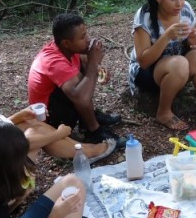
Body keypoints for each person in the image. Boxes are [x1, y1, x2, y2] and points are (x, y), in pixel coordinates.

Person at [0, 55, 116, 192]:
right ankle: (89, 152)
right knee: (35, 134)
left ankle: (85, 151)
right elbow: (20, 144)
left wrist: (19, 116)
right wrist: (59, 133)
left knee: (32, 124)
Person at [128, 0, 196, 130]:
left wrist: (192, 41)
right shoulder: (145, 16)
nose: (179, 4)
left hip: (177, 66)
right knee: (180, 63)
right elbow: (144, 61)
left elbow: (187, 43)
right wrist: (167, 35)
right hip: (148, 72)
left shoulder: (186, 10)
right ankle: (163, 113)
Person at [28, 13, 124, 145]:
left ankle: (87, 119)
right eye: (82, 37)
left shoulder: (68, 49)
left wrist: (97, 68)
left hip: (60, 103)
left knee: (83, 78)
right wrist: (93, 63)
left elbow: (86, 64)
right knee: (79, 89)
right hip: (48, 119)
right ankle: (94, 131)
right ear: (66, 43)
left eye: (86, 34)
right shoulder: (54, 61)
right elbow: (81, 97)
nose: (88, 40)